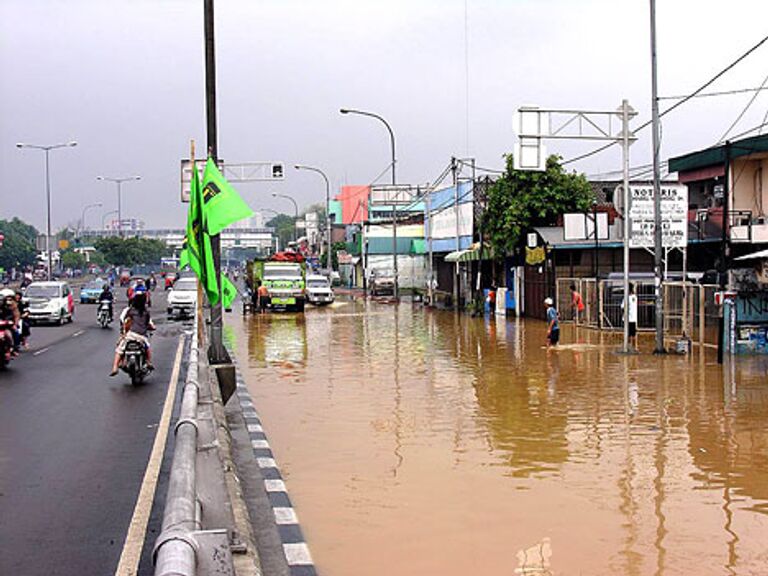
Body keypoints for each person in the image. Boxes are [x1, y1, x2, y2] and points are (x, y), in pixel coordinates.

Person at [110, 290, 154, 376]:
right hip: (142, 336)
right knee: (147, 347)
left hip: (131, 335)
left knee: (119, 349)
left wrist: (124, 333)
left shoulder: (131, 311)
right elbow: (148, 324)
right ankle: (149, 362)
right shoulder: (146, 312)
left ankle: (115, 367)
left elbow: (126, 321)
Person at [622, 283, 639, 351]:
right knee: (633, 335)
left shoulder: (627, 297)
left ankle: (628, 348)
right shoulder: (635, 297)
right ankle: (634, 348)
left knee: (627, 335)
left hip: (627, 319)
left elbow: (622, 307)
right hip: (634, 319)